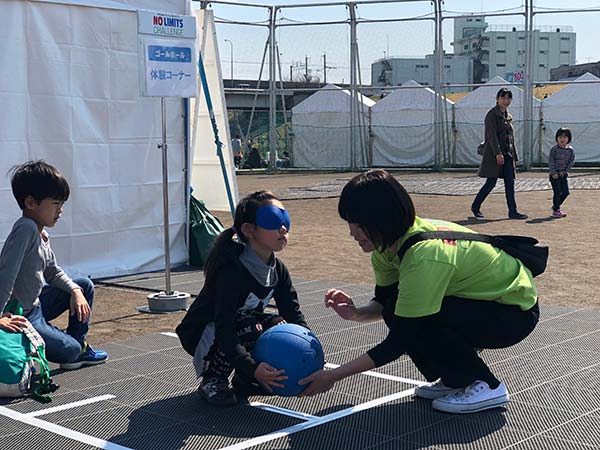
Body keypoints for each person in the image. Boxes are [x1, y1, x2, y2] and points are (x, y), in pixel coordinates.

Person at [299, 170, 539, 414]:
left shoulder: (424, 255)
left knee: (421, 321)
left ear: (381, 219)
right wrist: (356, 313)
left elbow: (399, 341)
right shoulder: (387, 248)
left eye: (358, 223)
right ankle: (456, 379)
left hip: (514, 313)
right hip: (481, 302)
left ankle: (488, 385)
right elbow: (385, 303)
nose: (352, 232)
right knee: (400, 309)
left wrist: (333, 376)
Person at [176, 190, 309, 406]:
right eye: (273, 220)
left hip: (238, 326)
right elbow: (225, 325)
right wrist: (252, 367)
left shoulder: (278, 270)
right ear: (249, 230)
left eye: (285, 220)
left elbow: (292, 313)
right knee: (248, 326)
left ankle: (245, 380)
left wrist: (309, 348)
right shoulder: (232, 270)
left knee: (279, 324)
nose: (283, 228)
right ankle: (213, 380)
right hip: (203, 333)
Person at [0, 161, 108, 370]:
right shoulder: (25, 229)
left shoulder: (40, 233)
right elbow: (6, 274)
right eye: (56, 203)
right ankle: (71, 349)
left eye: (62, 204)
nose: (60, 210)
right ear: (30, 202)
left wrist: (74, 290)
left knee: (83, 285)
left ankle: (78, 345)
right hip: (22, 315)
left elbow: (52, 272)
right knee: (70, 351)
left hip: (37, 306)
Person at [471, 88, 528, 220]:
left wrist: (513, 155)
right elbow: (491, 136)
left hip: (508, 154)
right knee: (491, 182)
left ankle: (513, 211)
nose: (506, 101)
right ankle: (476, 206)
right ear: (497, 99)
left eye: (508, 98)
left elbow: (510, 138)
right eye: (503, 98)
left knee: (510, 183)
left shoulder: (508, 116)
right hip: (494, 155)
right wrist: (498, 153)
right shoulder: (491, 115)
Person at [548, 127, 575, 218]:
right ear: (557, 138)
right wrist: (553, 173)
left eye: (565, 137)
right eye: (560, 137)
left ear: (569, 138)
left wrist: (565, 172)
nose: (562, 139)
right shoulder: (554, 149)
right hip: (554, 175)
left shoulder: (570, 150)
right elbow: (551, 161)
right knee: (557, 192)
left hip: (563, 175)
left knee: (566, 192)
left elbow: (571, 162)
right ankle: (556, 210)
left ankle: (555, 206)